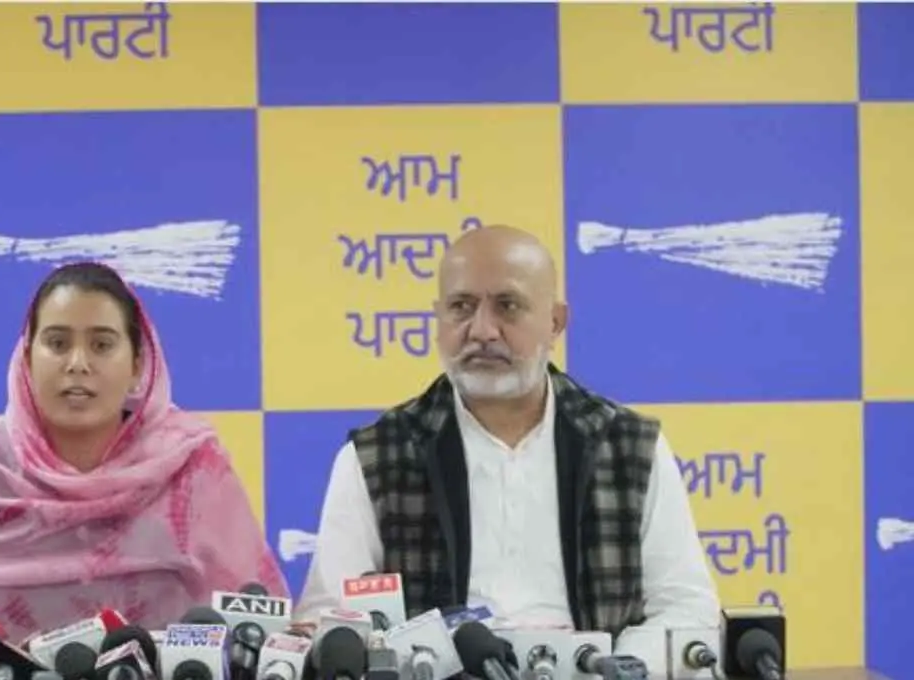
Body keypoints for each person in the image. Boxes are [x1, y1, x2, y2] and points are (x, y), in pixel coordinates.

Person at [0, 261, 287, 680]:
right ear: (27, 359)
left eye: (102, 344)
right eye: (57, 343)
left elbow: (260, 636)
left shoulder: (191, 472)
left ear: (137, 365)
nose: (78, 363)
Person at [294, 225, 719, 657]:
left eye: (507, 306)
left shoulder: (629, 447)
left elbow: (686, 607)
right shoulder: (376, 456)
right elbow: (331, 619)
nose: (482, 331)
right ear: (438, 319)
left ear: (555, 322)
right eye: (461, 307)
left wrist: (613, 667)